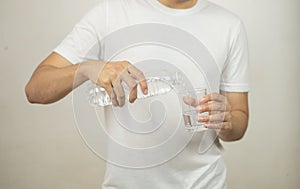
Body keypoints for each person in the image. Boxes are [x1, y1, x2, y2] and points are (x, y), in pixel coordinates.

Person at [25, 0, 249, 188]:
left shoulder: (229, 25)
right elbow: (35, 89)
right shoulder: (110, 13)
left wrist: (226, 121)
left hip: (204, 183)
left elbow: (239, 119)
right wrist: (85, 68)